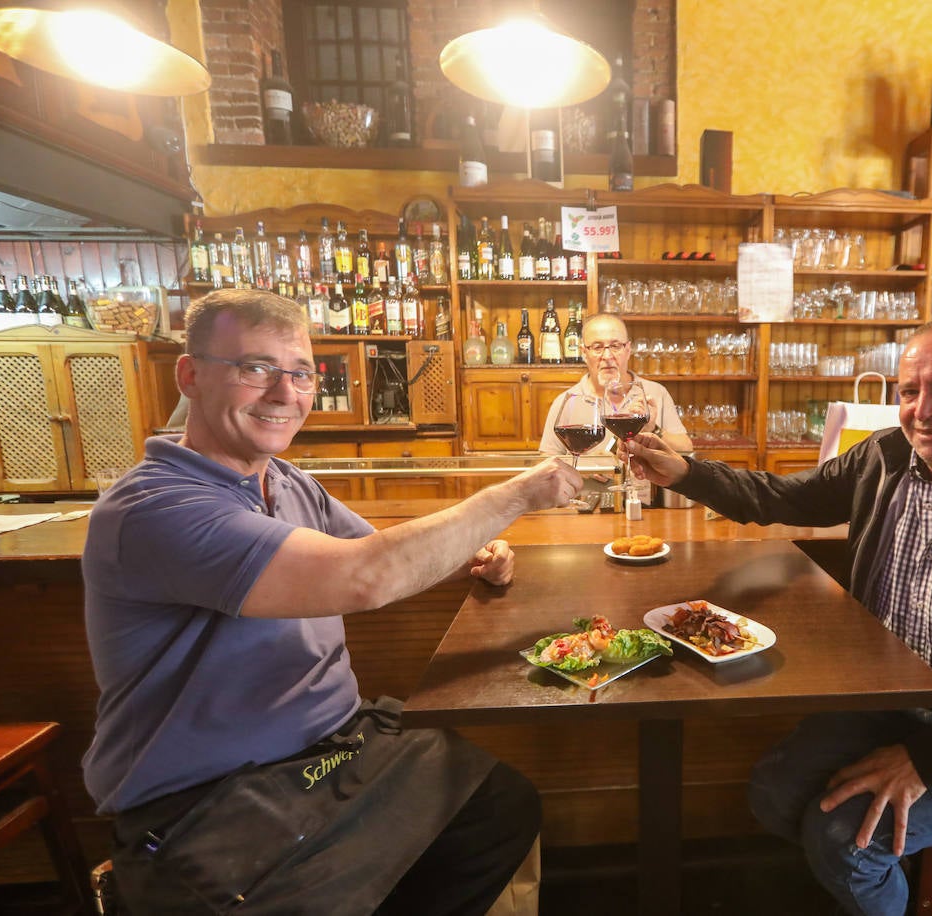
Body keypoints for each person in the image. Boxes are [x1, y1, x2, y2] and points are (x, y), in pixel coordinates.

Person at [82, 288, 584, 915]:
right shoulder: (156, 507)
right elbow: (366, 576)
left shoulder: (289, 481)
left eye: (299, 374)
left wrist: (473, 556)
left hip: (330, 751)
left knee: (500, 807)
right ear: (190, 374)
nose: (282, 393)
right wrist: (513, 497)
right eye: (254, 368)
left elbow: (384, 555)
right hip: (208, 796)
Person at [623, 314, 932, 916]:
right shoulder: (887, 458)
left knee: (846, 844)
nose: (923, 410)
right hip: (889, 709)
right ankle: (889, 886)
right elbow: (787, 498)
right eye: (909, 390)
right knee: (771, 793)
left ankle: (884, 883)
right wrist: (686, 473)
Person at [537, 313, 693, 456]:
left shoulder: (655, 392)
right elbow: (547, 460)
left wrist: (653, 429)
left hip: (643, 487)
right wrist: (587, 469)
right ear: (584, 353)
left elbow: (686, 448)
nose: (607, 356)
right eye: (597, 347)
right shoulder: (567, 401)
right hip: (589, 487)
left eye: (616, 346)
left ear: (628, 349)